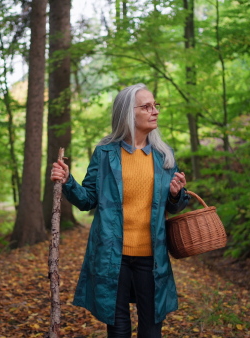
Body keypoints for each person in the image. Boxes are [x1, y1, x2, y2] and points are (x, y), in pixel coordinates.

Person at [50, 83, 190, 337]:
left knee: (151, 330)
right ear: (128, 113)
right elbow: (88, 200)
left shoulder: (164, 155)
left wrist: (176, 193)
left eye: (155, 105)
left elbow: (174, 206)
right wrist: (68, 181)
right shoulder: (105, 154)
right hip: (112, 256)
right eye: (146, 106)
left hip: (152, 258)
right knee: (118, 330)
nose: (154, 111)